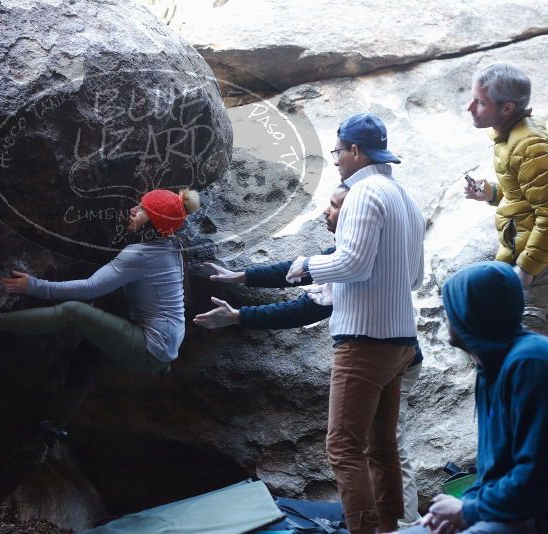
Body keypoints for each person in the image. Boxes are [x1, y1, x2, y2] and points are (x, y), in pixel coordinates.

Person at [195, 184, 424, 526]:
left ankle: (404, 526)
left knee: (380, 446)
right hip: (396, 354)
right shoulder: (352, 253)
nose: (325, 212)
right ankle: (396, 523)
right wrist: (242, 278)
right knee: (381, 447)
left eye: (333, 207)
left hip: (386, 359)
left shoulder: (357, 262)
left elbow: (304, 309)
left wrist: (239, 316)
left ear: (355, 217)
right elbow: (301, 271)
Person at [0, 188, 200, 439]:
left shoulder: (141, 255)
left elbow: (90, 288)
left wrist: (34, 286)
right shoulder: (171, 246)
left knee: (74, 312)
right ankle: (55, 428)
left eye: (143, 209)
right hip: (165, 343)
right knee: (90, 350)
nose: (133, 210)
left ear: (155, 222)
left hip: (151, 348)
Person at [283, 113, 426, 534]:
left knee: (343, 447)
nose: (337, 161)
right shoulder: (405, 197)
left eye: (338, 152)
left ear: (355, 151)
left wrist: (306, 265)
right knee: (383, 448)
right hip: (401, 339)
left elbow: (352, 263)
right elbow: (414, 277)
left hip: (365, 340)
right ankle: (390, 527)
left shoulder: (363, 194)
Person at [401, 262, 548, 534]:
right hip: (506, 509)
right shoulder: (492, 364)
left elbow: (538, 476)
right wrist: (464, 504)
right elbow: (497, 470)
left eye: (452, 307)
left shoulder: (531, 362)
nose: (447, 316)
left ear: (473, 312)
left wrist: (468, 510)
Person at [463, 63, 548, 334]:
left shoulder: (530, 146)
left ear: (507, 108)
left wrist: (526, 270)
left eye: (480, 102)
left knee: (527, 342)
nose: (470, 107)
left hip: (539, 269)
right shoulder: (511, 135)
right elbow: (527, 198)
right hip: (520, 253)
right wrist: (493, 194)